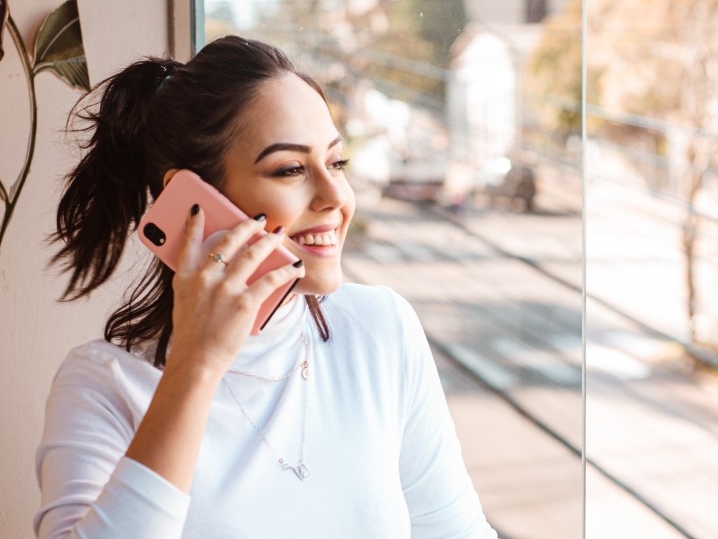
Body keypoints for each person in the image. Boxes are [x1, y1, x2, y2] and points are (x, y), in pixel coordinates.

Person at [35, 35, 497, 539]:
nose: (335, 196)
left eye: (337, 163)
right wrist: (198, 364)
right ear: (193, 200)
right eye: (291, 169)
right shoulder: (103, 386)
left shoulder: (381, 329)